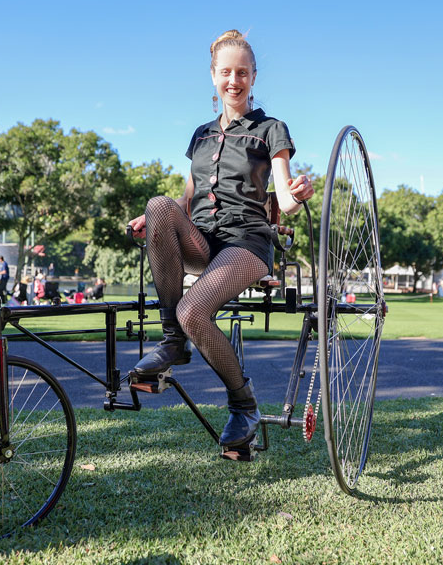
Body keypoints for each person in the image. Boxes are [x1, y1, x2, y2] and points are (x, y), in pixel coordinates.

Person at [128, 30, 314, 450]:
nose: (235, 80)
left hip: (247, 244)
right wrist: (155, 216)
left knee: (194, 312)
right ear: (213, 75)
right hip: (203, 242)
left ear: (253, 77)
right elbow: (188, 196)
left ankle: (242, 403)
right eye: (226, 72)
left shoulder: (271, 128)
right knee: (159, 203)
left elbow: (283, 197)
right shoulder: (200, 135)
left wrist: (295, 197)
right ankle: (173, 344)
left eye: (243, 72)